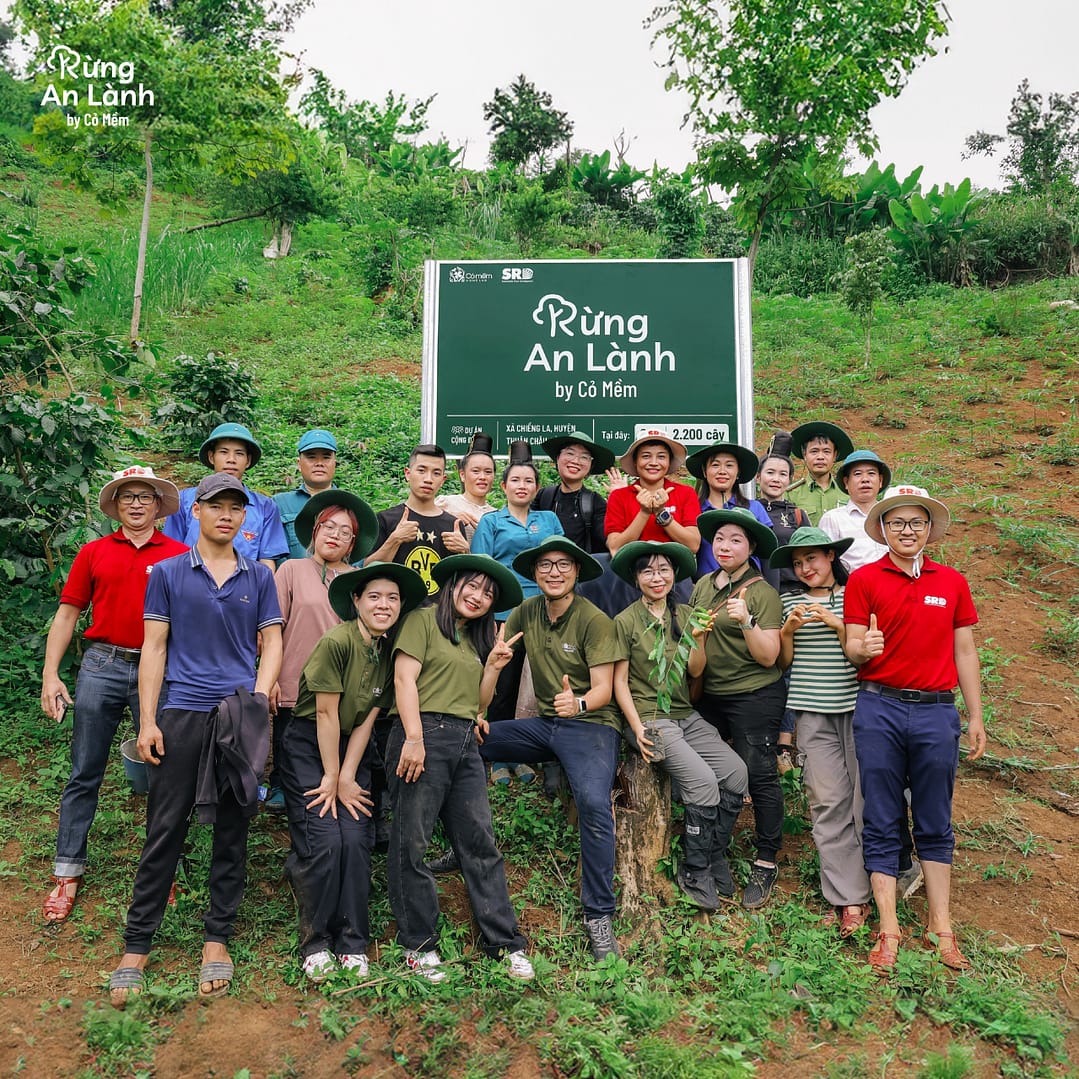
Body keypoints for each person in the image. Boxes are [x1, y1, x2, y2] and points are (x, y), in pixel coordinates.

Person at [109, 472, 283, 1007]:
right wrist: (148, 720)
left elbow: (271, 641)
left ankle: (217, 939)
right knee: (165, 826)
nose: (227, 515)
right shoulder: (165, 572)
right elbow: (154, 649)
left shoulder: (259, 576)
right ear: (197, 513)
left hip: (236, 714)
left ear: (245, 518)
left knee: (233, 826)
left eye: (237, 507)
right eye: (217, 506)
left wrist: (255, 698)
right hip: (181, 711)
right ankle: (136, 945)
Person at [843, 485, 986, 974]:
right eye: (897, 523)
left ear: (929, 529)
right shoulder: (864, 580)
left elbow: (964, 650)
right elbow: (853, 646)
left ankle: (940, 926)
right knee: (881, 814)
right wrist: (866, 648)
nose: (907, 531)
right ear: (883, 529)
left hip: (936, 711)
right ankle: (889, 929)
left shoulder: (952, 582)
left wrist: (976, 715)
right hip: (878, 708)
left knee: (934, 816)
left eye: (916, 523)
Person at [39, 466, 187, 923]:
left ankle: (164, 874)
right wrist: (51, 674)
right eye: (128, 497)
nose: (137, 504)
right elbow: (67, 615)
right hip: (102, 664)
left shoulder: (180, 554)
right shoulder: (94, 552)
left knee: (164, 774)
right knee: (85, 769)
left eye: (146, 496)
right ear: (116, 506)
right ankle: (67, 871)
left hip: (159, 668)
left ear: (159, 506)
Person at [387, 553, 535, 983]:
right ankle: (418, 945)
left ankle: (504, 943)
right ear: (452, 585)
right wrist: (414, 738)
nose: (479, 596)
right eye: (472, 586)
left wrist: (492, 667)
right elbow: (403, 680)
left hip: (465, 738)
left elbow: (481, 704)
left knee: (479, 842)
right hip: (423, 735)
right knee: (410, 842)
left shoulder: (476, 639)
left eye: (488, 594)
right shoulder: (423, 620)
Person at [478, 536, 623, 961]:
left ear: (576, 572)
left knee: (595, 805)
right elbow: (497, 665)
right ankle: (465, 840)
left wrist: (576, 702)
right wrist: (495, 661)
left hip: (591, 726)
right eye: (545, 565)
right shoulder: (527, 611)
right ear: (534, 573)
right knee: (470, 743)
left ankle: (599, 914)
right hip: (545, 726)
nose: (554, 572)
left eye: (563, 565)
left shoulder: (595, 620)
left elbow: (604, 691)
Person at [281, 562, 425, 983]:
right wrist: (330, 776)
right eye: (375, 596)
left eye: (393, 598)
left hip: (350, 751)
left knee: (358, 835)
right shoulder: (337, 642)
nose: (384, 605)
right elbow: (326, 712)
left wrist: (346, 776)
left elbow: (366, 720)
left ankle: (353, 940)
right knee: (326, 837)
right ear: (357, 602)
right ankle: (316, 942)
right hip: (311, 744)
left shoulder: (386, 652)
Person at [611, 541, 749, 910]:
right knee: (702, 782)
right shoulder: (625, 622)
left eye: (664, 570)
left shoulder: (687, 614)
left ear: (674, 575)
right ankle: (694, 867)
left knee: (736, 773)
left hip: (684, 714)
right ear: (636, 578)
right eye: (648, 571)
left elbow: (695, 671)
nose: (657, 578)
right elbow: (619, 682)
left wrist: (699, 640)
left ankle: (715, 854)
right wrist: (636, 727)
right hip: (651, 717)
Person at [773, 527, 872, 937]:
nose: (804, 568)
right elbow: (782, 662)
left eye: (811, 559)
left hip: (860, 709)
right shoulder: (787, 601)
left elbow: (865, 656)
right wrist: (788, 632)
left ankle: (880, 883)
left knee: (867, 800)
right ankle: (848, 896)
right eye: (797, 563)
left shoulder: (856, 596)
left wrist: (835, 622)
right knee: (827, 802)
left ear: (831, 556)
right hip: (811, 713)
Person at [690, 509, 785, 909]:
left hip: (754, 694)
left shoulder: (761, 593)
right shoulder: (703, 585)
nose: (726, 546)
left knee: (759, 774)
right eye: (721, 539)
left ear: (750, 549)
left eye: (736, 540)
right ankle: (709, 853)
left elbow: (770, 658)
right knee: (704, 771)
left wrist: (746, 621)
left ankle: (766, 859)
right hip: (710, 694)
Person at [268, 491, 378, 812]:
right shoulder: (291, 569)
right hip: (294, 680)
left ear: (353, 543)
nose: (335, 536)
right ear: (315, 531)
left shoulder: (357, 580)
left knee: (333, 748)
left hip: (341, 685)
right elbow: (274, 628)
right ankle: (280, 787)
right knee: (290, 744)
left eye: (345, 532)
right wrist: (271, 677)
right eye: (329, 527)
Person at [471, 443, 563, 783]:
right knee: (503, 684)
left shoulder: (548, 520)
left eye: (529, 481)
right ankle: (496, 754)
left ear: (536, 488)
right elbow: (481, 570)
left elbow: (564, 563)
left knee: (537, 684)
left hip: (544, 610)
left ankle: (523, 753)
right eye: (515, 480)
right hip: (504, 611)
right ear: (504, 486)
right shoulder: (492, 522)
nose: (522, 485)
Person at [164, 422, 289, 570]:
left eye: (239, 453)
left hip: (245, 589)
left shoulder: (265, 507)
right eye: (223, 452)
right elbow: (171, 552)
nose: (231, 459)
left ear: (247, 461)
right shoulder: (185, 500)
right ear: (212, 457)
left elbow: (267, 561)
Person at [367, 443, 470, 598]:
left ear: (443, 480)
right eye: (421, 471)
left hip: (439, 616)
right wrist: (395, 539)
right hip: (397, 614)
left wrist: (465, 552)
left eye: (436, 473)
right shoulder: (386, 519)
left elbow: (464, 583)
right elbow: (368, 570)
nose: (428, 479)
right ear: (408, 473)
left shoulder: (453, 525)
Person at [686, 441, 772, 578]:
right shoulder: (694, 510)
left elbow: (767, 557)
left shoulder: (754, 508)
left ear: (738, 472)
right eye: (715, 465)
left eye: (729, 465)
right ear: (704, 471)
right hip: (707, 590)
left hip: (749, 588)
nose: (722, 471)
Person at [604, 432, 701, 555]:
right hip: (631, 569)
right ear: (635, 461)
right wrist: (644, 512)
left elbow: (693, 545)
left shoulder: (686, 493)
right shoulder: (619, 496)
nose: (654, 462)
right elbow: (615, 548)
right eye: (646, 456)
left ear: (669, 461)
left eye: (661, 457)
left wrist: (661, 513)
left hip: (674, 570)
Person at [534, 431, 616, 554]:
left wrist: (619, 499)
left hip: (580, 571)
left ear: (590, 466)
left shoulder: (595, 502)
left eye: (584, 457)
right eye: (570, 453)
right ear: (558, 458)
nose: (576, 461)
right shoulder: (544, 496)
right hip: (545, 569)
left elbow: (612, 542)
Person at [819, 449, 892, 572]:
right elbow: (825, 563)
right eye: (858, 474)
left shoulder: (892, 517)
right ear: (846, 482)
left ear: (880, 481)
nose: (865, 479)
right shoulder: (833, 519)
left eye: (871, 473)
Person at [273, 429, 341, 560]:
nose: (319, 463)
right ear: (299, 464)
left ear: (334, 463)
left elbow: (356, 559)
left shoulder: (350, 504)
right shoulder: (280, 503)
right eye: (311, 457)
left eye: (326, 457)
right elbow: (273, 553)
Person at [787, 421, 855, 526]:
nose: (820, 457)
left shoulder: (848, 493)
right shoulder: (791, 494)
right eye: (814, 451)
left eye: (826, 451)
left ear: (835, 456)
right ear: (805, 455)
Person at [435, 431, 498, 542]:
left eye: (488, 472)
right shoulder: (445, 503)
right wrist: (449, 518)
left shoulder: (497, 515)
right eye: (475, 471)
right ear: (462, 475)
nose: (482, 477)